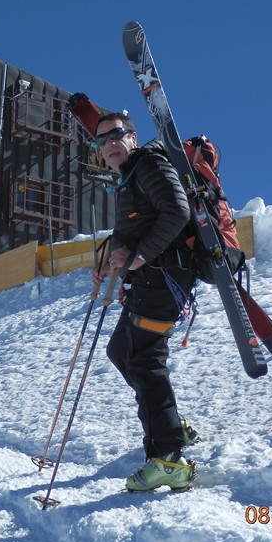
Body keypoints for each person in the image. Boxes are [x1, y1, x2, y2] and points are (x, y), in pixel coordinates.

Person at [92, 112, 199, 491]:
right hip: (150, 280)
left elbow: (176, 211)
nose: (109, 145)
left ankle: (168, 457)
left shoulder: (150, 163)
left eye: (116, 135)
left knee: (142, 358)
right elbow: (135, 228)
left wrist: (138, 257)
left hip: (164, 277)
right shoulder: (130, 177)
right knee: (122, 351)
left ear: (132, 137)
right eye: (101, 141)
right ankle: (171, 424)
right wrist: (113, 259)